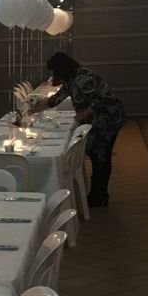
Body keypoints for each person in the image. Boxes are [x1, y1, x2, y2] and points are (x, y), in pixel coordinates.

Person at [30, 52, 125, 206]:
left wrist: (82, 115)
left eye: (53, 70)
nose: (51, 74)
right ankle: (97, 194)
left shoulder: (84, 79)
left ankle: (99, 195)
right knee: (96, 155)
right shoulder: (71, 81)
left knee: (101, 156)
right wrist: (34, 110)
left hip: (108, 119)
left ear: (61, 68)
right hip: (97, 120)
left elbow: (100, 100)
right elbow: (56, 99)